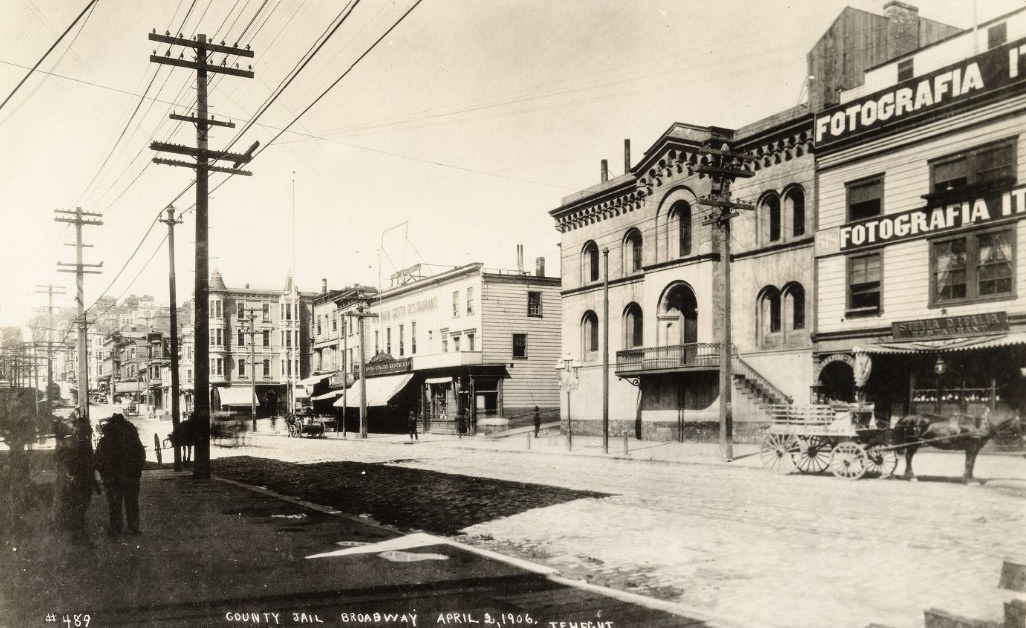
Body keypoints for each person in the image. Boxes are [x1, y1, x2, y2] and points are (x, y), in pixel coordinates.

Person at [94, 412, 146, 536]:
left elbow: (98, 460)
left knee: (114, 504)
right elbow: (141, 457)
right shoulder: (133, 439)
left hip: (113, 478)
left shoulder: (105, 440)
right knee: (132, 502)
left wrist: (105, 474)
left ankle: (116, 528)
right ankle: (133, 527)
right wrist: (136, 472)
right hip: (130, 477)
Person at [57, 411, 99, 543]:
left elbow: (90, 465)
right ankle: (78, 535)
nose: (89, 433)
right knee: (78, 508)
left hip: (82, 481)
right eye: (87, 431)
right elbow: (63, 459)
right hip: (78, 482)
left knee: (79, 508)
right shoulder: (75, 443)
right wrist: (72, 475)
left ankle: (78, 533)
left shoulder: (81, 442)